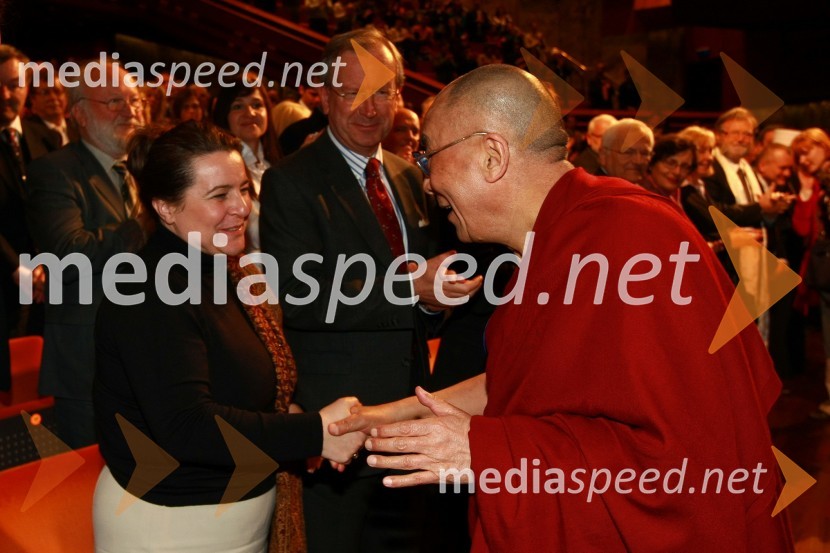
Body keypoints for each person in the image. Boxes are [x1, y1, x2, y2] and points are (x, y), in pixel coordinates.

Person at [332, 64, 793, 552]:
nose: (427, 183)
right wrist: (384, 417)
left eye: (429, 158)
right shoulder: (548, 245)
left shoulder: (631, 240)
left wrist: (487, 452)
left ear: (492, 155)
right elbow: (523, 382)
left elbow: (685, 458)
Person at [93, 121, 365, 553]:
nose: (241, 207)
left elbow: (237, 384)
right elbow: (187, 426)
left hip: (232, 521)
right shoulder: (147, 291)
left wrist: (293, 417)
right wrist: (314, 432)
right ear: (165, 207)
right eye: (219, 195)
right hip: (170, 528)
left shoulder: (221, 270)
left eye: (243, 188)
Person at [259, 28, 481, 553]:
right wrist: (410, 288)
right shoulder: (291, 181)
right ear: (324, 96)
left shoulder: (410, 178)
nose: (368, 106)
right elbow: (296, 292)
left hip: (412, 418)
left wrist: (434, 299)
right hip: (340, 426)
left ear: (401, 96)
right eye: (350, 92)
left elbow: (417, 303)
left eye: (382, 91)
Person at [26, 60, 150, 448]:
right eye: (114, 101)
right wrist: (147, 222)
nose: (131, 110)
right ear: (79, 113)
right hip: (87, 366)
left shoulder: (146, 170)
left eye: (135, 100)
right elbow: (67, 255)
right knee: (90, 494)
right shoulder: (54, 171)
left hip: (150, 361)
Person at [213, 79, 281, 253]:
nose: (249, 113)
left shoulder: (275, 165)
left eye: (257, 105)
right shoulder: (219, 175)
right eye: (238, 106)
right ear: (224, 115)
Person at [790, 128, 830, 417]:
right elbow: (804, 229)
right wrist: (805, 193)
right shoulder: (815, 184)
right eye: (799, 154)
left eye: (809, 151)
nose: (804, 159)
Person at [638, 134, 696, 205]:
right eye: (670, 163)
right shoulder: (641, 197)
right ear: (652, 163)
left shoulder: (675, 194)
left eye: (684, 166)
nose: (677, 172)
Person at [598, 118, 653, 185]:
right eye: (628, 152)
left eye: (644, 153)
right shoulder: (590, 191)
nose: (638, 161)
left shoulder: (648, 191)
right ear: (603, 155)